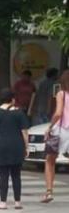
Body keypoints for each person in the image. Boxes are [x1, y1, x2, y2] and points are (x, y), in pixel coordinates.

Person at [41, 70, 69, 203]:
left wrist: (49, 127)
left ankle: (49, 192)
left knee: (50, 161)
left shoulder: (61, 94)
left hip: (60, 130)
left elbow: (58, 113)